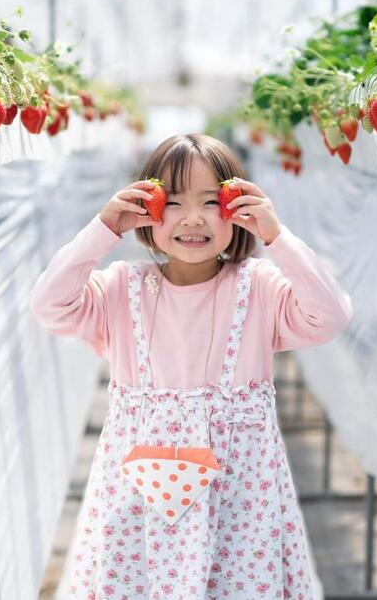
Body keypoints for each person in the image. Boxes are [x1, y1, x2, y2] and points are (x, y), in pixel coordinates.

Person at [31, 133, 353, 599]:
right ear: (147, 208)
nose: (193, 218)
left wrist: (277, 238)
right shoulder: (121, 289)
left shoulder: (259, 288)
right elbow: (49, 306)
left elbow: (331, 315)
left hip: (239, 510)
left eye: (210, 201)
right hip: (139, 507)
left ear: (237, 208)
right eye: (174, 202)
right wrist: (102, 229)